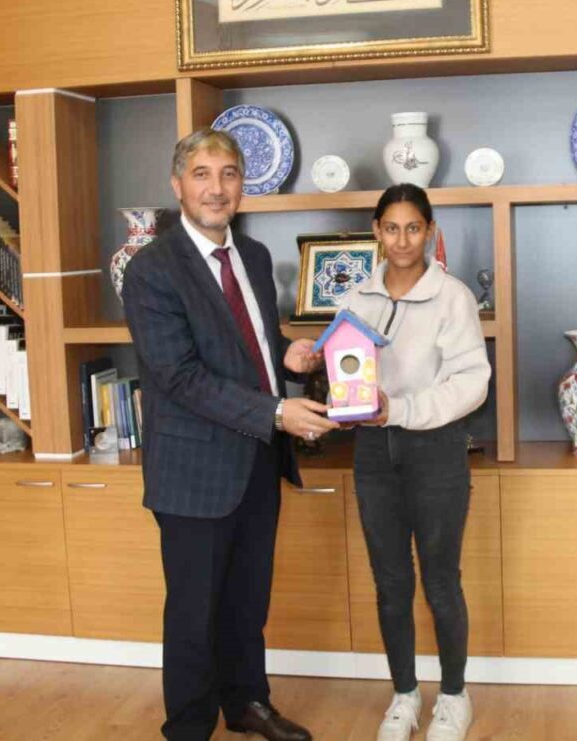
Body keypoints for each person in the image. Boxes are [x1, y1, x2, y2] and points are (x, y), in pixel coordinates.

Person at [122, 128, 337, 741]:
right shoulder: (151, 270)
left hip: (257, 460)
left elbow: (250, 342)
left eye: (229, 174)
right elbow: (180, 376)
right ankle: (189, 728)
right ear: (178, 185)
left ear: (243, 184)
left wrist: (287, 355)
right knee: (194, 614)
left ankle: (247, 704)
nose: (216, 188)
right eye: (202, 174)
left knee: (247, 599)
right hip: (194, 472)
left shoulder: (256, 256)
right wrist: (277, 412)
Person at [339, 184, 492, 741]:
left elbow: (472, 383)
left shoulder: (453, 297)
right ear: (376, 232)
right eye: (391, 228)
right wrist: (323, 375)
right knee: (390, 581)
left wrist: (400, 410)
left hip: (436, 451)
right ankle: (404, 693)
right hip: (373, 454)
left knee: (441, 581)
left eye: (413, 228)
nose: (402, 240)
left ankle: (453, 696)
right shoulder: (356, 298)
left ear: (429, 232)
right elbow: (347, 371)